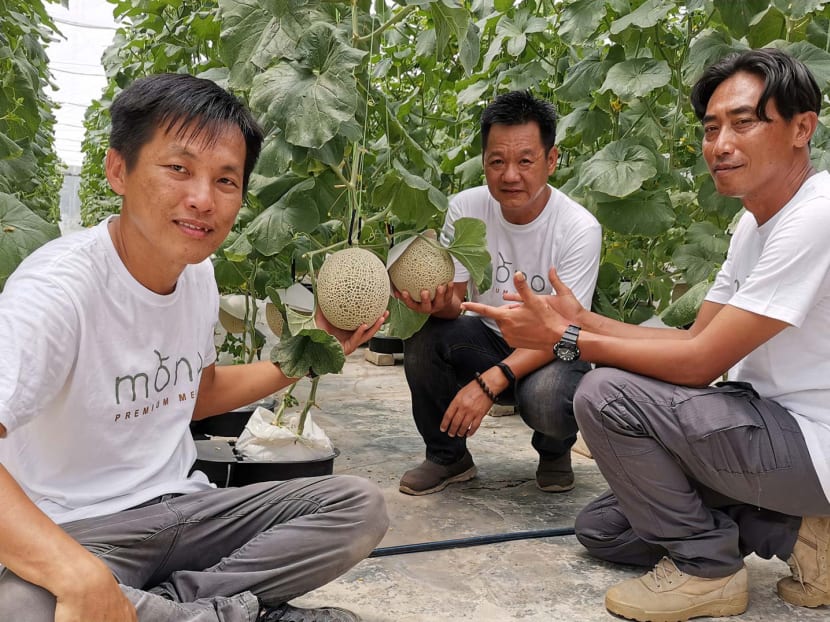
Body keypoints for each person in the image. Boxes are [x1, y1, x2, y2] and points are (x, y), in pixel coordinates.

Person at [0, 73, 389, 622]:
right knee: (20, 606)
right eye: (178, 169)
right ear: (119, 170)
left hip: (187, 510)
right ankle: (236, 612)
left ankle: (174, 611)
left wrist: (311, 350)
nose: (203, 199)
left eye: (226, 180)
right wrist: (77, 574)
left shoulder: (197, 273)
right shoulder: (55, 290)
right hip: (81, 530)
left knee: (357, 506)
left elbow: (197, 393)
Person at [465, 48, 830, 621]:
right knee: (604, 529)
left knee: (603, 393)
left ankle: (708, 571)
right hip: (760, 425)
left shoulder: (816, 215)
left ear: (801, 128)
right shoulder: (754, 221)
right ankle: (798, 531)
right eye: (712, 128)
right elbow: (692, 337)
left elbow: (700, 364)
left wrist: (564, 339)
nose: (721, 144)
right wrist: (581, 320)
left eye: (743, 122)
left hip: (810, 442)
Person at [396, 90, 602, 496]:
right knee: (422, 338)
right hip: (487, 337)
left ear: (552, 160)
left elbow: (565, 331)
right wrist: (436, 305)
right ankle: (447, 456)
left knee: (547, 396)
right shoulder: (465, 207)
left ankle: (554, 449)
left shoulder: (579, 228)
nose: (510, 175)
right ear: (484, 162)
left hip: (554, 346)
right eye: (497, 161)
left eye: (525, 161)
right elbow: (457, 303)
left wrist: (491, 382)